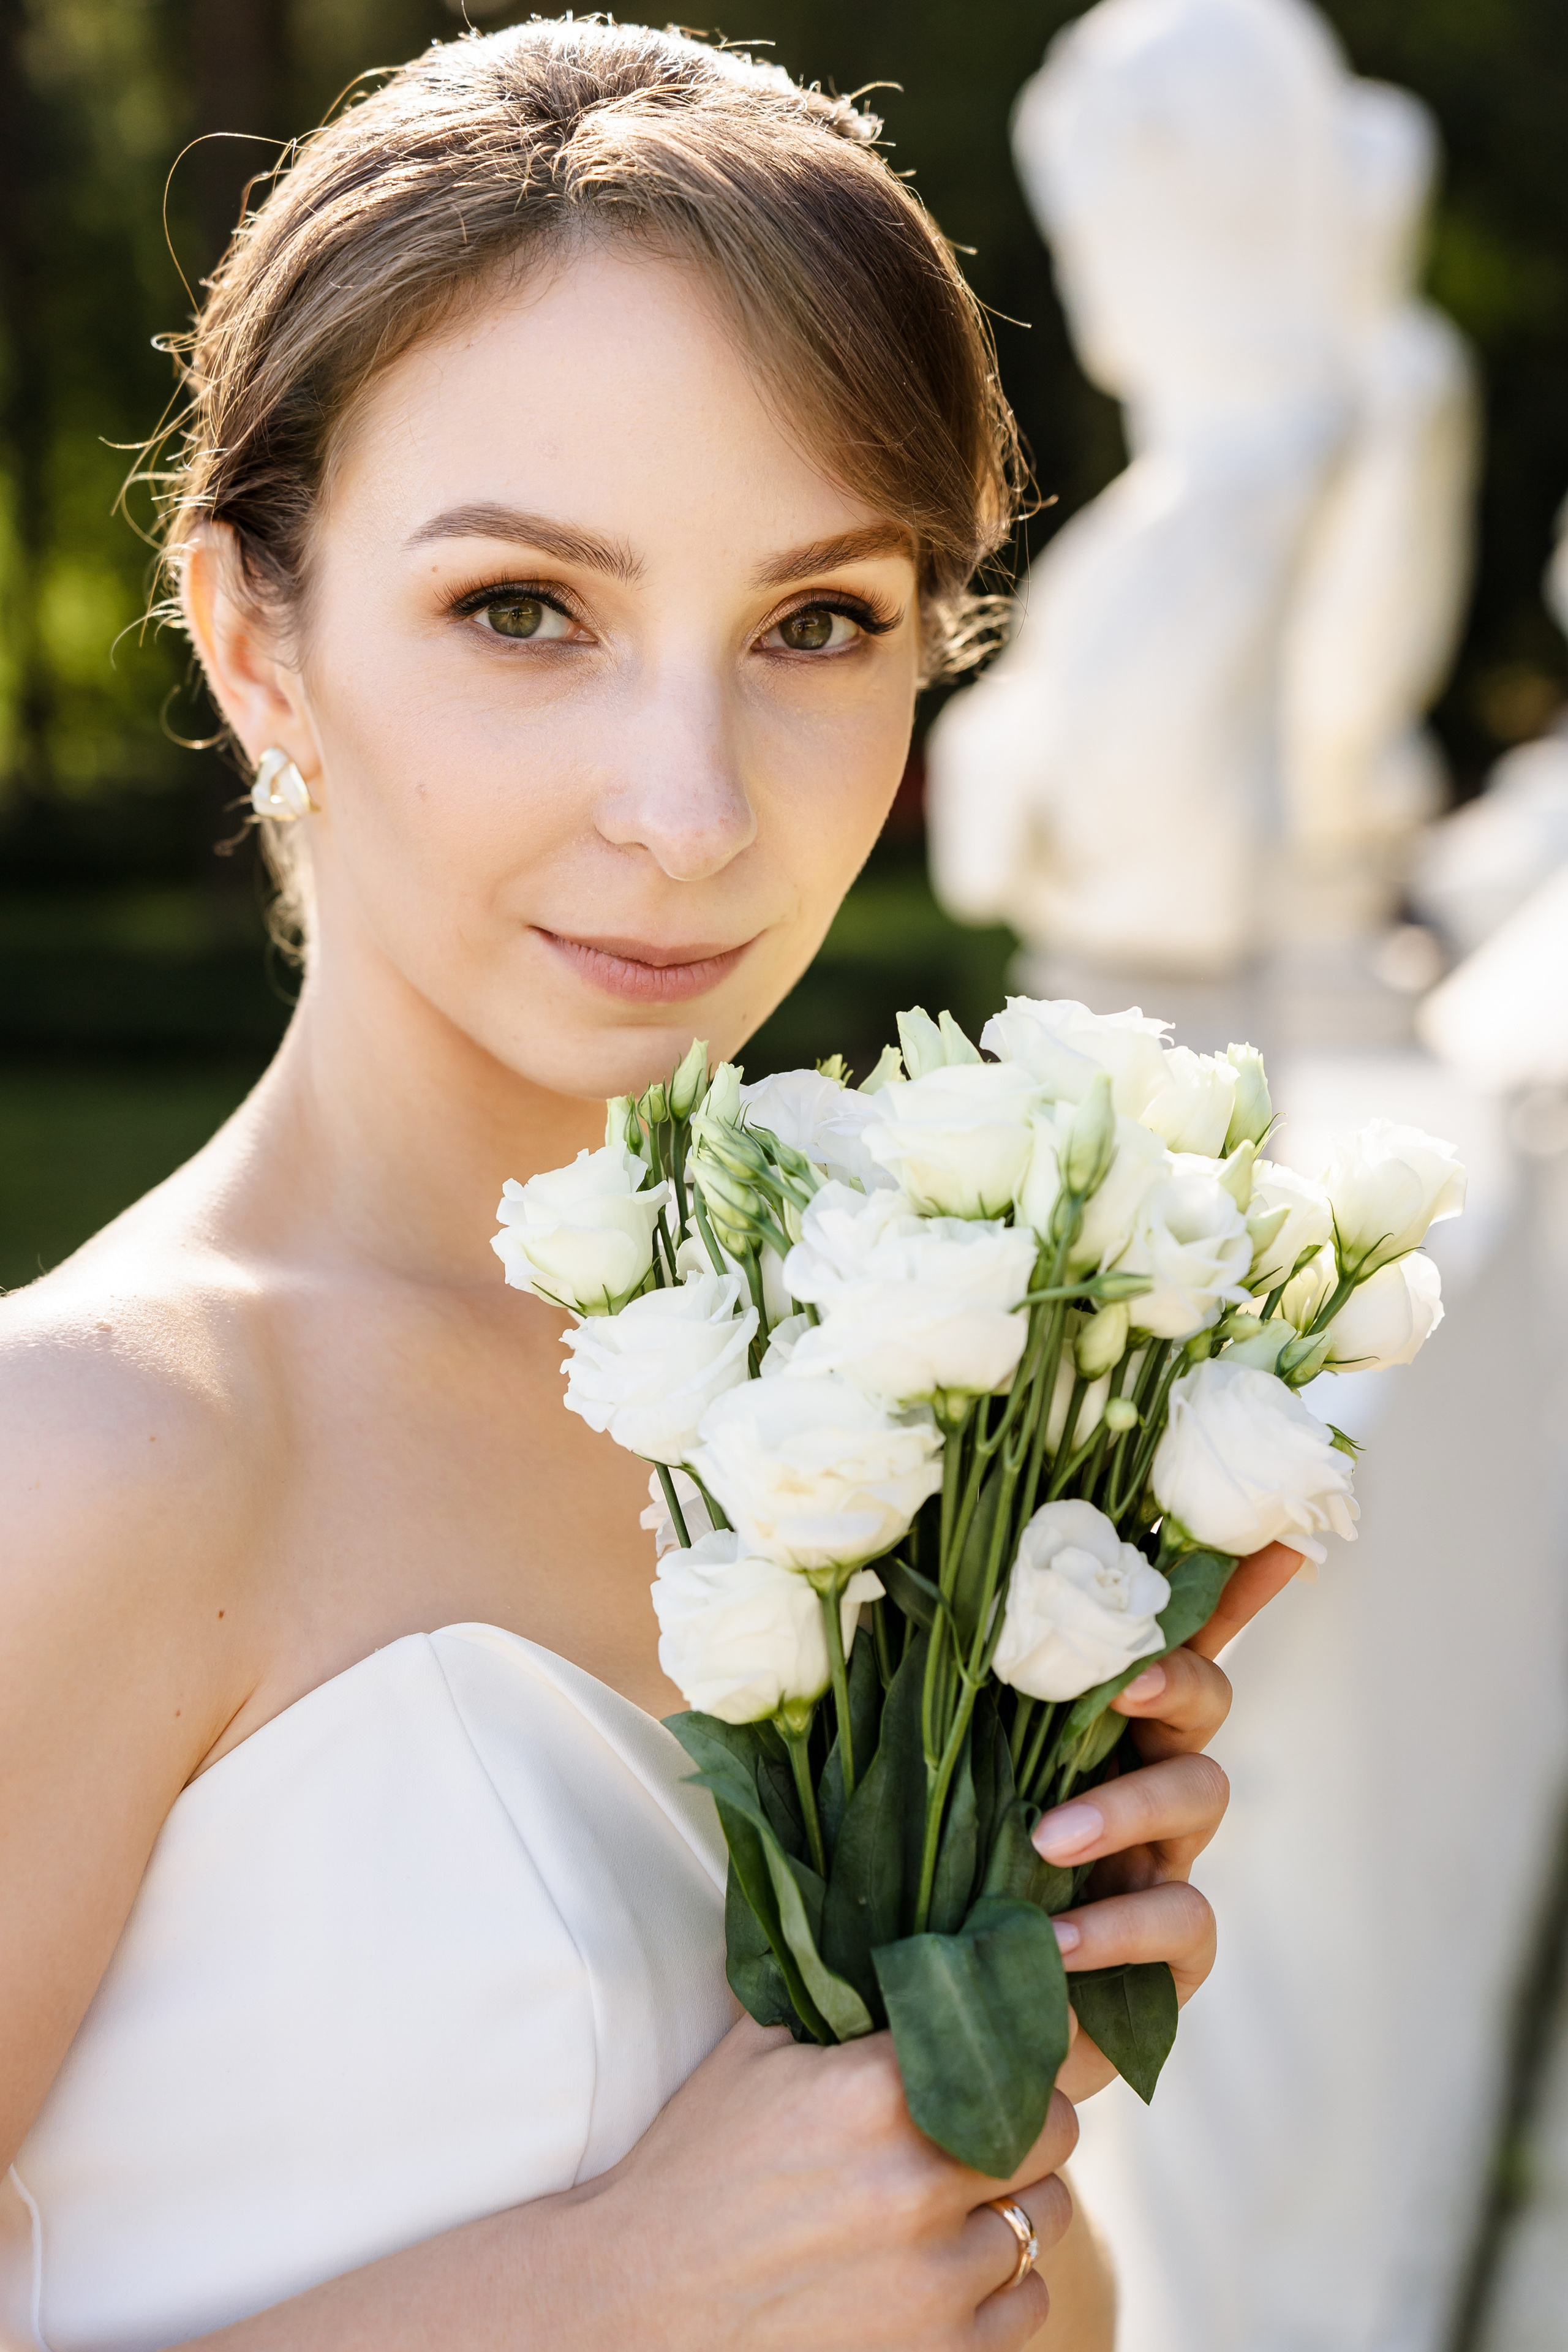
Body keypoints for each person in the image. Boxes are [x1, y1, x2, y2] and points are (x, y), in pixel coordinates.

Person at [0, 23, 1300, 2349]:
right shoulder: (94, 1457)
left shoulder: (881, 1420)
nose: (690, 808)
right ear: (251, 631)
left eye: (819, 622)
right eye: (524, 611)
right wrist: (607, 2290)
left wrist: (992, 2036)